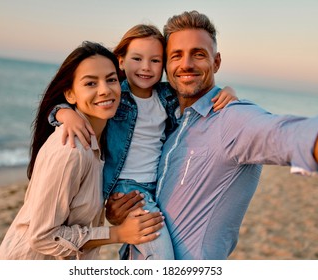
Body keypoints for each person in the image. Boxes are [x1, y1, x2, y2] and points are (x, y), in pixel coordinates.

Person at [105, 11, 318, 260]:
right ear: (167, 65)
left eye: (198, 54)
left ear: (216, 62)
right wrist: (118, 211)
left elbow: (287, 135)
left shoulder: (232, 119)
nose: (186, 64)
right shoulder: (170, 120)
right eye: (176, 56)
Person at [48, 24, 238, 259]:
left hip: (159, 186)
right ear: (121, 61)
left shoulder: (166, 96)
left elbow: (197, 92)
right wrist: (64, 113)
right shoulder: (116, 95)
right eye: (137, 59)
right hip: (130, 190)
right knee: (160, 257)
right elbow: (77, 103)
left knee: (138, 251)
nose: (146, 68)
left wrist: (226, 91)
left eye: (156, 61)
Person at [0, 41, 164, 260]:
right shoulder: (71, 150)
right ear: (71, 94)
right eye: (90, 83)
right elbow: (43, 236)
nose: (105, 90)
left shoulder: (103, 142)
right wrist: (118, 234)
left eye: (111, 80)